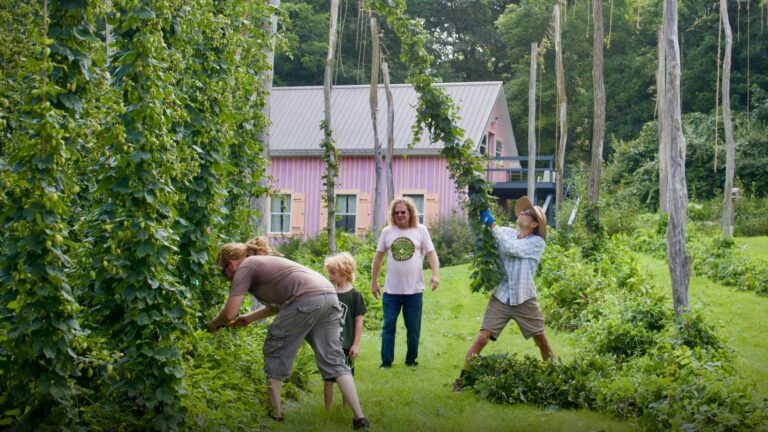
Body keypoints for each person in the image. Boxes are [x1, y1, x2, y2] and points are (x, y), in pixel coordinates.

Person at [207, 237, 370, 430]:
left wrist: (213, 324)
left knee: (275, 349)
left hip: (308, 300)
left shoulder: (246, 266)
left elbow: (229, 313)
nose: (226, 277)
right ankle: (360, 419)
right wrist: (249, 318)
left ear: (231, 264)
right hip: (328, 297)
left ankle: (275, 415)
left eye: (223, 271)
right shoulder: (263, 264)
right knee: (334, 358)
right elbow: (280, 305)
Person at [453, 196, 555, 392]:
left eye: (528, 213)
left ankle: (557, 376)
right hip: (501, 296)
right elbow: (482, 237)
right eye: (523, 211)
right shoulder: (507, 232)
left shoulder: (537, 243)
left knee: (541, 340)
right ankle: (462, 380)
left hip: (524, 298)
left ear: (534, 224)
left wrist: (492, 224)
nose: (522, 212)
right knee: (482, 337)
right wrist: (476, 211)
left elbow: (511, 248)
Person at [371, 197, 440, 368]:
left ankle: (411, 361)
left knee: (413, 328)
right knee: (388, 327)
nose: (400, 215)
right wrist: (374, 282)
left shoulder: (420, 230)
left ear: (410, 213)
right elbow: (378, 258)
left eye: (403, 212)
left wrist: (435, 275)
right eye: (396, 213)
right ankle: (386, 362)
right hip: (391, 292)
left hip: (414, 291)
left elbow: (431, 254)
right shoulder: (387, 232)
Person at [323, 252, 367, 411]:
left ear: (345, 272)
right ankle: (327, 410)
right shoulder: (329, 292)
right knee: (328, 378)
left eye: (333, 273)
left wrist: (355, 344)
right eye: (329, 272)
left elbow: (359, 321)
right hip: (330, 343)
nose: (330, 275)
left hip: (346, 343)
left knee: (346, 375)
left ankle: (346, 406)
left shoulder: (355, 295)